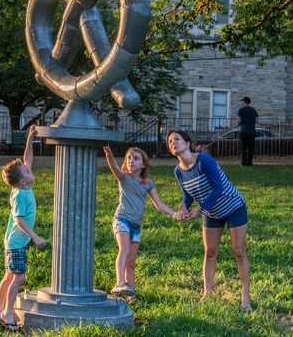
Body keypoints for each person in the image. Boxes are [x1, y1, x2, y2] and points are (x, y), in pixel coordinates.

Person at [166, 130, 252, 312]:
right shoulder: (178, 171)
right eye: (170, 141)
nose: (173, 142)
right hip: (211, 212)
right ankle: (208, 294)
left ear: (188, 143)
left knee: (238, 251)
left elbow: (217, 187)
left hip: (233, 206)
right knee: (210, 252)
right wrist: (183, 206)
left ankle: (245, 297)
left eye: (177, 139)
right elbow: (188, 194)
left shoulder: (203, 160)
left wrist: (199, 208)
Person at [103, 145, 180, 303]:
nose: (131, 161)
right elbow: (114, 166)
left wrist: (174, 214)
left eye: (136, 158)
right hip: (122, 219)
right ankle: (119, 283)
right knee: (124, 249)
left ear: (143, 164)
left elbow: (158, 204)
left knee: (131, 262)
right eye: (129, 158)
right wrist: (110, 155)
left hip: (135, 226)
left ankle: (131, 296)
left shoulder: (147, 183)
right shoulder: (124, 177)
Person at [0, 125, 47, 331]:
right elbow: (19, 219)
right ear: (23, 180)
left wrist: (30, 140)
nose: (30, 169)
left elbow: (27, 160)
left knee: (9, 276)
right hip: (16, 242)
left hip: (13, 241)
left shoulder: (24, 186)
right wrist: (34, 236)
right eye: (28, 171)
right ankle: (7, 312)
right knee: (19, 277)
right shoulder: (21, 194)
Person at [237, 97, 259, 166]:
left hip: (244, 131)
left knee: (244, 148)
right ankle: (249, 162)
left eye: (242, 101)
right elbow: (257, 121)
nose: (242, 103)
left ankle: (243, 162)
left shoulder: (241, 110)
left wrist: (241, 123)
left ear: (244, 102)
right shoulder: (254, 111)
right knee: (251, 148)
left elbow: (238, 120)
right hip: (252, 131)